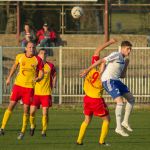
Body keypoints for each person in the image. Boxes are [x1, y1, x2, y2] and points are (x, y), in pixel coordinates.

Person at [80, 41, 135, 137]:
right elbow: (102, 59)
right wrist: (87, 70)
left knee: (131, 98)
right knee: (120, 102)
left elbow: (122, 75)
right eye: (127, 49)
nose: (129, 51)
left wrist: (126, 64)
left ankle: (125, 122)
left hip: (115, 80)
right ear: (122, 48)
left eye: (130, 49)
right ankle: (118, 127)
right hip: (108, 80)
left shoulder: (122, 60)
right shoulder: (116, 55)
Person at [0, 41, 44, 140]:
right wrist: (8, 78)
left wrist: (38, 78)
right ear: (26, 48)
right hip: (18, 86)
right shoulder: (20, 56)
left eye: (33, 47)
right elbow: (14, 67)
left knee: (26, 110)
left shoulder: (37, 60)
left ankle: (22, 131)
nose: (31, 49)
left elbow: (41, 73)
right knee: (11, 105)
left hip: (29, 88)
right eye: (29, 47)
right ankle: (2, 127)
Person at [77, 39, 116, 146]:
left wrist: (110, 42)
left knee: (87, 120)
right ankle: (102, 142)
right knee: (107, 120)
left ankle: (79, 141)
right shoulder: (104, 76)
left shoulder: (93, 67)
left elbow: (97, 50)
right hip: (96, 100)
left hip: (87, 98)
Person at [29, 49, 57, 137]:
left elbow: (55, 75)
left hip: (46, 93)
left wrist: (54, 82)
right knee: (32, 112)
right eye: (41, 53)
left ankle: (44, 131)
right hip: (36, 93)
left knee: (45, 113)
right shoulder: (35, 65)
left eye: (45, 53)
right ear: (38, 55)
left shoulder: (50, 65)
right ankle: (32, 125)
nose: (43, 55)